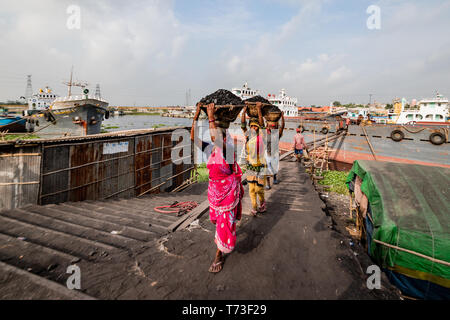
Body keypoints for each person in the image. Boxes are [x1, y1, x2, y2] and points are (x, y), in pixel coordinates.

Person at [191, 103, 244, 273]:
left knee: (224, 224)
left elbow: (216, 139)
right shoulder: (210, 149)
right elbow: (193, 138)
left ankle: (218, 255)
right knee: (219, 223)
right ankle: (221, 244)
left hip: (227, 193)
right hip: (215, 192)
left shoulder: (228, 149)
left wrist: (211, 117)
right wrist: (197, 116)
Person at [240, 103, 266, 216]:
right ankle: (254, 207)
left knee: (259, 189)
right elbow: (242, 125)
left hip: (261, 167)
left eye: (255, 126)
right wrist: (244, 112)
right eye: (252, 126)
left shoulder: (262, 136)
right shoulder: (247, 136)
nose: (253, 128)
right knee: (251, 189)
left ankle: (262, 204)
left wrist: (259, 110)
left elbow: (263, 124)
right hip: (250, 166)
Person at [264, 112, 285, 190]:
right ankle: (268, 184)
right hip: (267, 153)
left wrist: (282, 117)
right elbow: (262, 124)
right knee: (267, 170)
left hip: (275, 154)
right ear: (268, 127)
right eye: (270, 127)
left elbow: (282, 126)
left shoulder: (277, 134)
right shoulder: (265, 133)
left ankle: (275, 178)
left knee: (274, 168)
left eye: (273, 127)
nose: (272, 128)